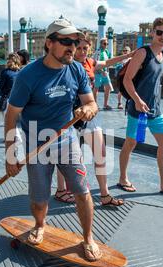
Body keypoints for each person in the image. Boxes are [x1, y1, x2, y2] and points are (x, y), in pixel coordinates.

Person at [5, 18, 102, 261]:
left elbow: (91, 103)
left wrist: (88, 109)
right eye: (66, 41)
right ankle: (39, 225)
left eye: (75, 41)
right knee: (39, 198)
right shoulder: (27, 76)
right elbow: (11, 116)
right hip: (36, 145)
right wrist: (10, 155)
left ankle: (88, 237)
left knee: (82, 191)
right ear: (49, 43)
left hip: (68, 142)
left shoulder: (76, 69)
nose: (73, 46)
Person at [55, 36, 134, 205]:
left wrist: (127, 56)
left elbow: (107, 63)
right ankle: (61, 190)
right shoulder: (65, 65)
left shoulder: (90, 63)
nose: (83, 51)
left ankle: (104, 194)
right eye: (80, 48)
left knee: (101, 152)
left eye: (86, 48)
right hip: (70, 116)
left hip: (89, 115)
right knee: (65, 156)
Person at [118, 17, 163, 194]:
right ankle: (122, 178)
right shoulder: (143, 53)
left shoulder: (162, 55)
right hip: (138, 110)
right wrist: (138, 100)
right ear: (152, 32)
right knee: (130, 143)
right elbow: (127, 79)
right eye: (160, 32)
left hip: (155, 110)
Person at [93, 38, 113, 110]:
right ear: (101, 44)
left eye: (107, 44)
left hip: (105, 73)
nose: (106, 45)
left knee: (108, 88)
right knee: (96, 88)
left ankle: (105, 104)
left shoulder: (107, 52)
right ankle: (95, 104)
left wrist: (106, 71)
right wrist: (102, 71)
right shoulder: (98, 52)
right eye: (104, 44)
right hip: (98, 72)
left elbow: (107, 62)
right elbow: (95, 63)